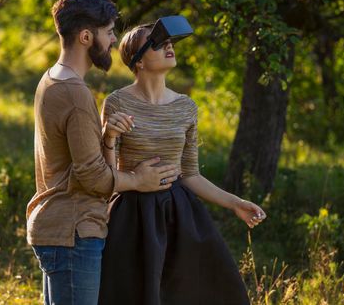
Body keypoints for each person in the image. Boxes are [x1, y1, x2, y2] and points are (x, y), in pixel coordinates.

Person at [26, 0, 180, 305]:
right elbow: (92, 177)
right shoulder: (75, 93)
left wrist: (107, 137)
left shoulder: (51, 79)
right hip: (75, 230)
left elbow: (75, 160)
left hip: (57, 227)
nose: (113, 40)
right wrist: (138, 181)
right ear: (86, 36)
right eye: (108, 32)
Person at [98, 22, 267, 305]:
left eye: (169, 41)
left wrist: (235, 203)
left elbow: (190, 174)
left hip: (180, 214)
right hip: (132, 217)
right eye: (157, 42)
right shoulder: (116, 102)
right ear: (137, 61)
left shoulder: (186, 107)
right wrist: (109, 138)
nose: (169, 46)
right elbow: (107, 175)